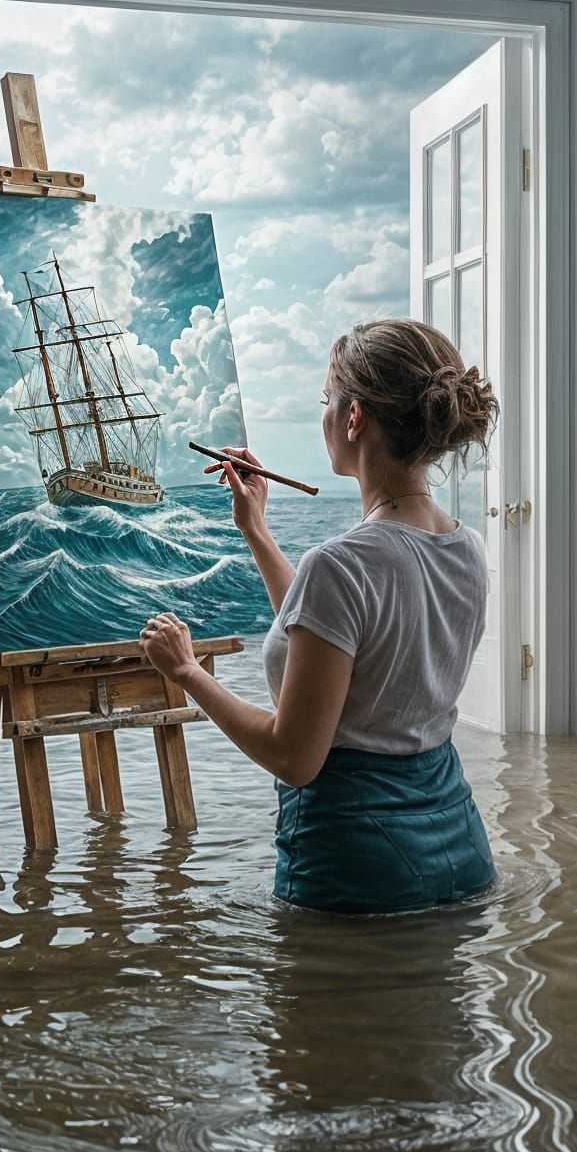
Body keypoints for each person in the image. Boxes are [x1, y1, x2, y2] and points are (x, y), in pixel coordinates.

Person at [137, 317, 500, 915]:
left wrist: (188, 671)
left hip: (359, 866)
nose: (324, 415)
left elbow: (294, 758)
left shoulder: (342, 563)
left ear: (355, 417)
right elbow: (331, 639)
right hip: (459, 848)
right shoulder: (468, 546)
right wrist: (256, 530)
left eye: (327, 401)